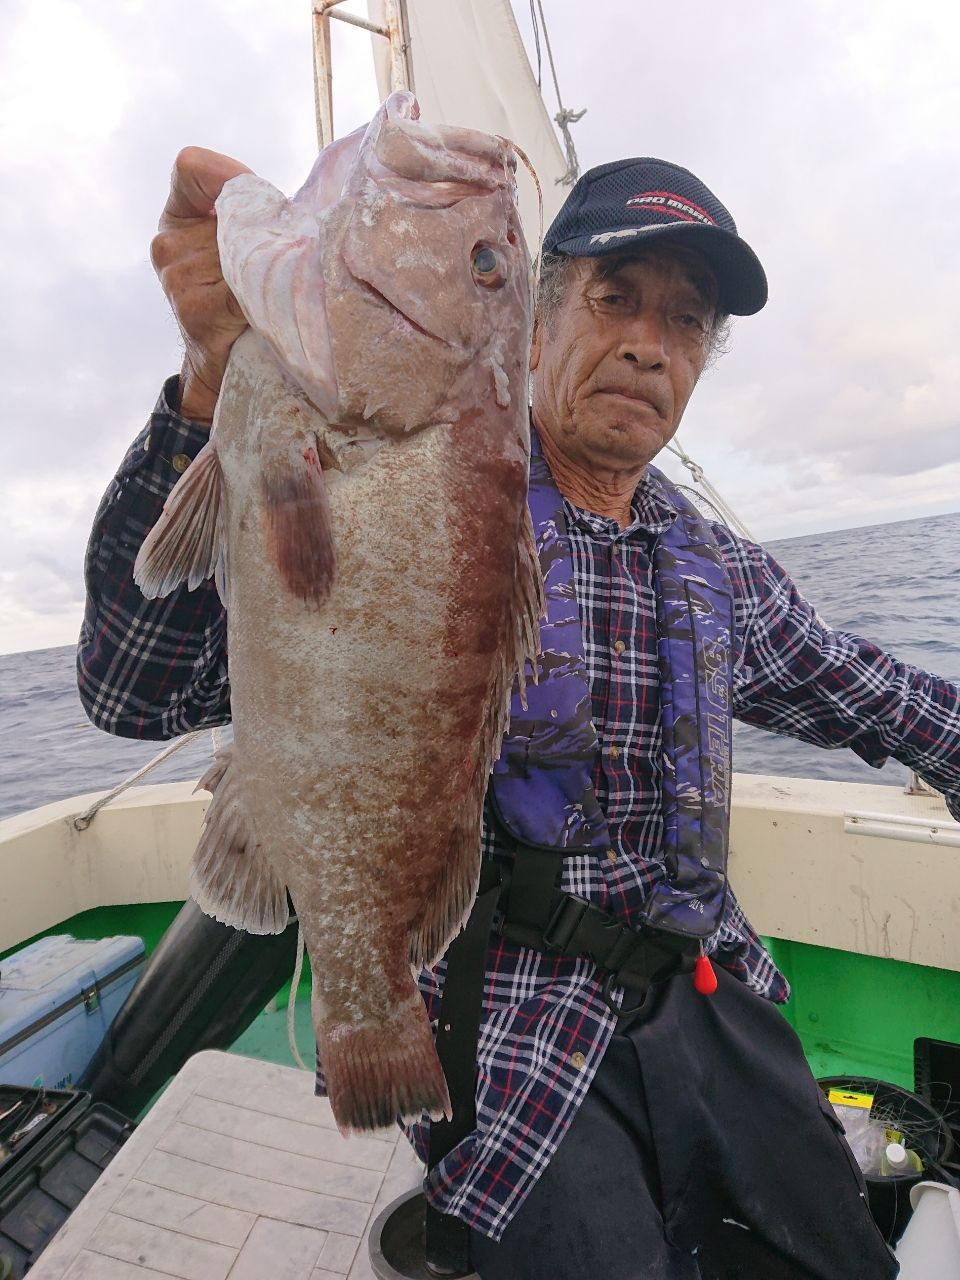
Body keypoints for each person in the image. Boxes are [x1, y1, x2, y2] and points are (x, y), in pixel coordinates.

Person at [78, 138, 960, 1280]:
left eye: (686, 321)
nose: (649, 342)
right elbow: (131, 686)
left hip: (705, 982)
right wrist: (206, 390)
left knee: (844, 1254)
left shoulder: (716, 566)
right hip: (503, 1009)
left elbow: (866, 686)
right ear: (536, 324)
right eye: (617, 297)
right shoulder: (413, 484)